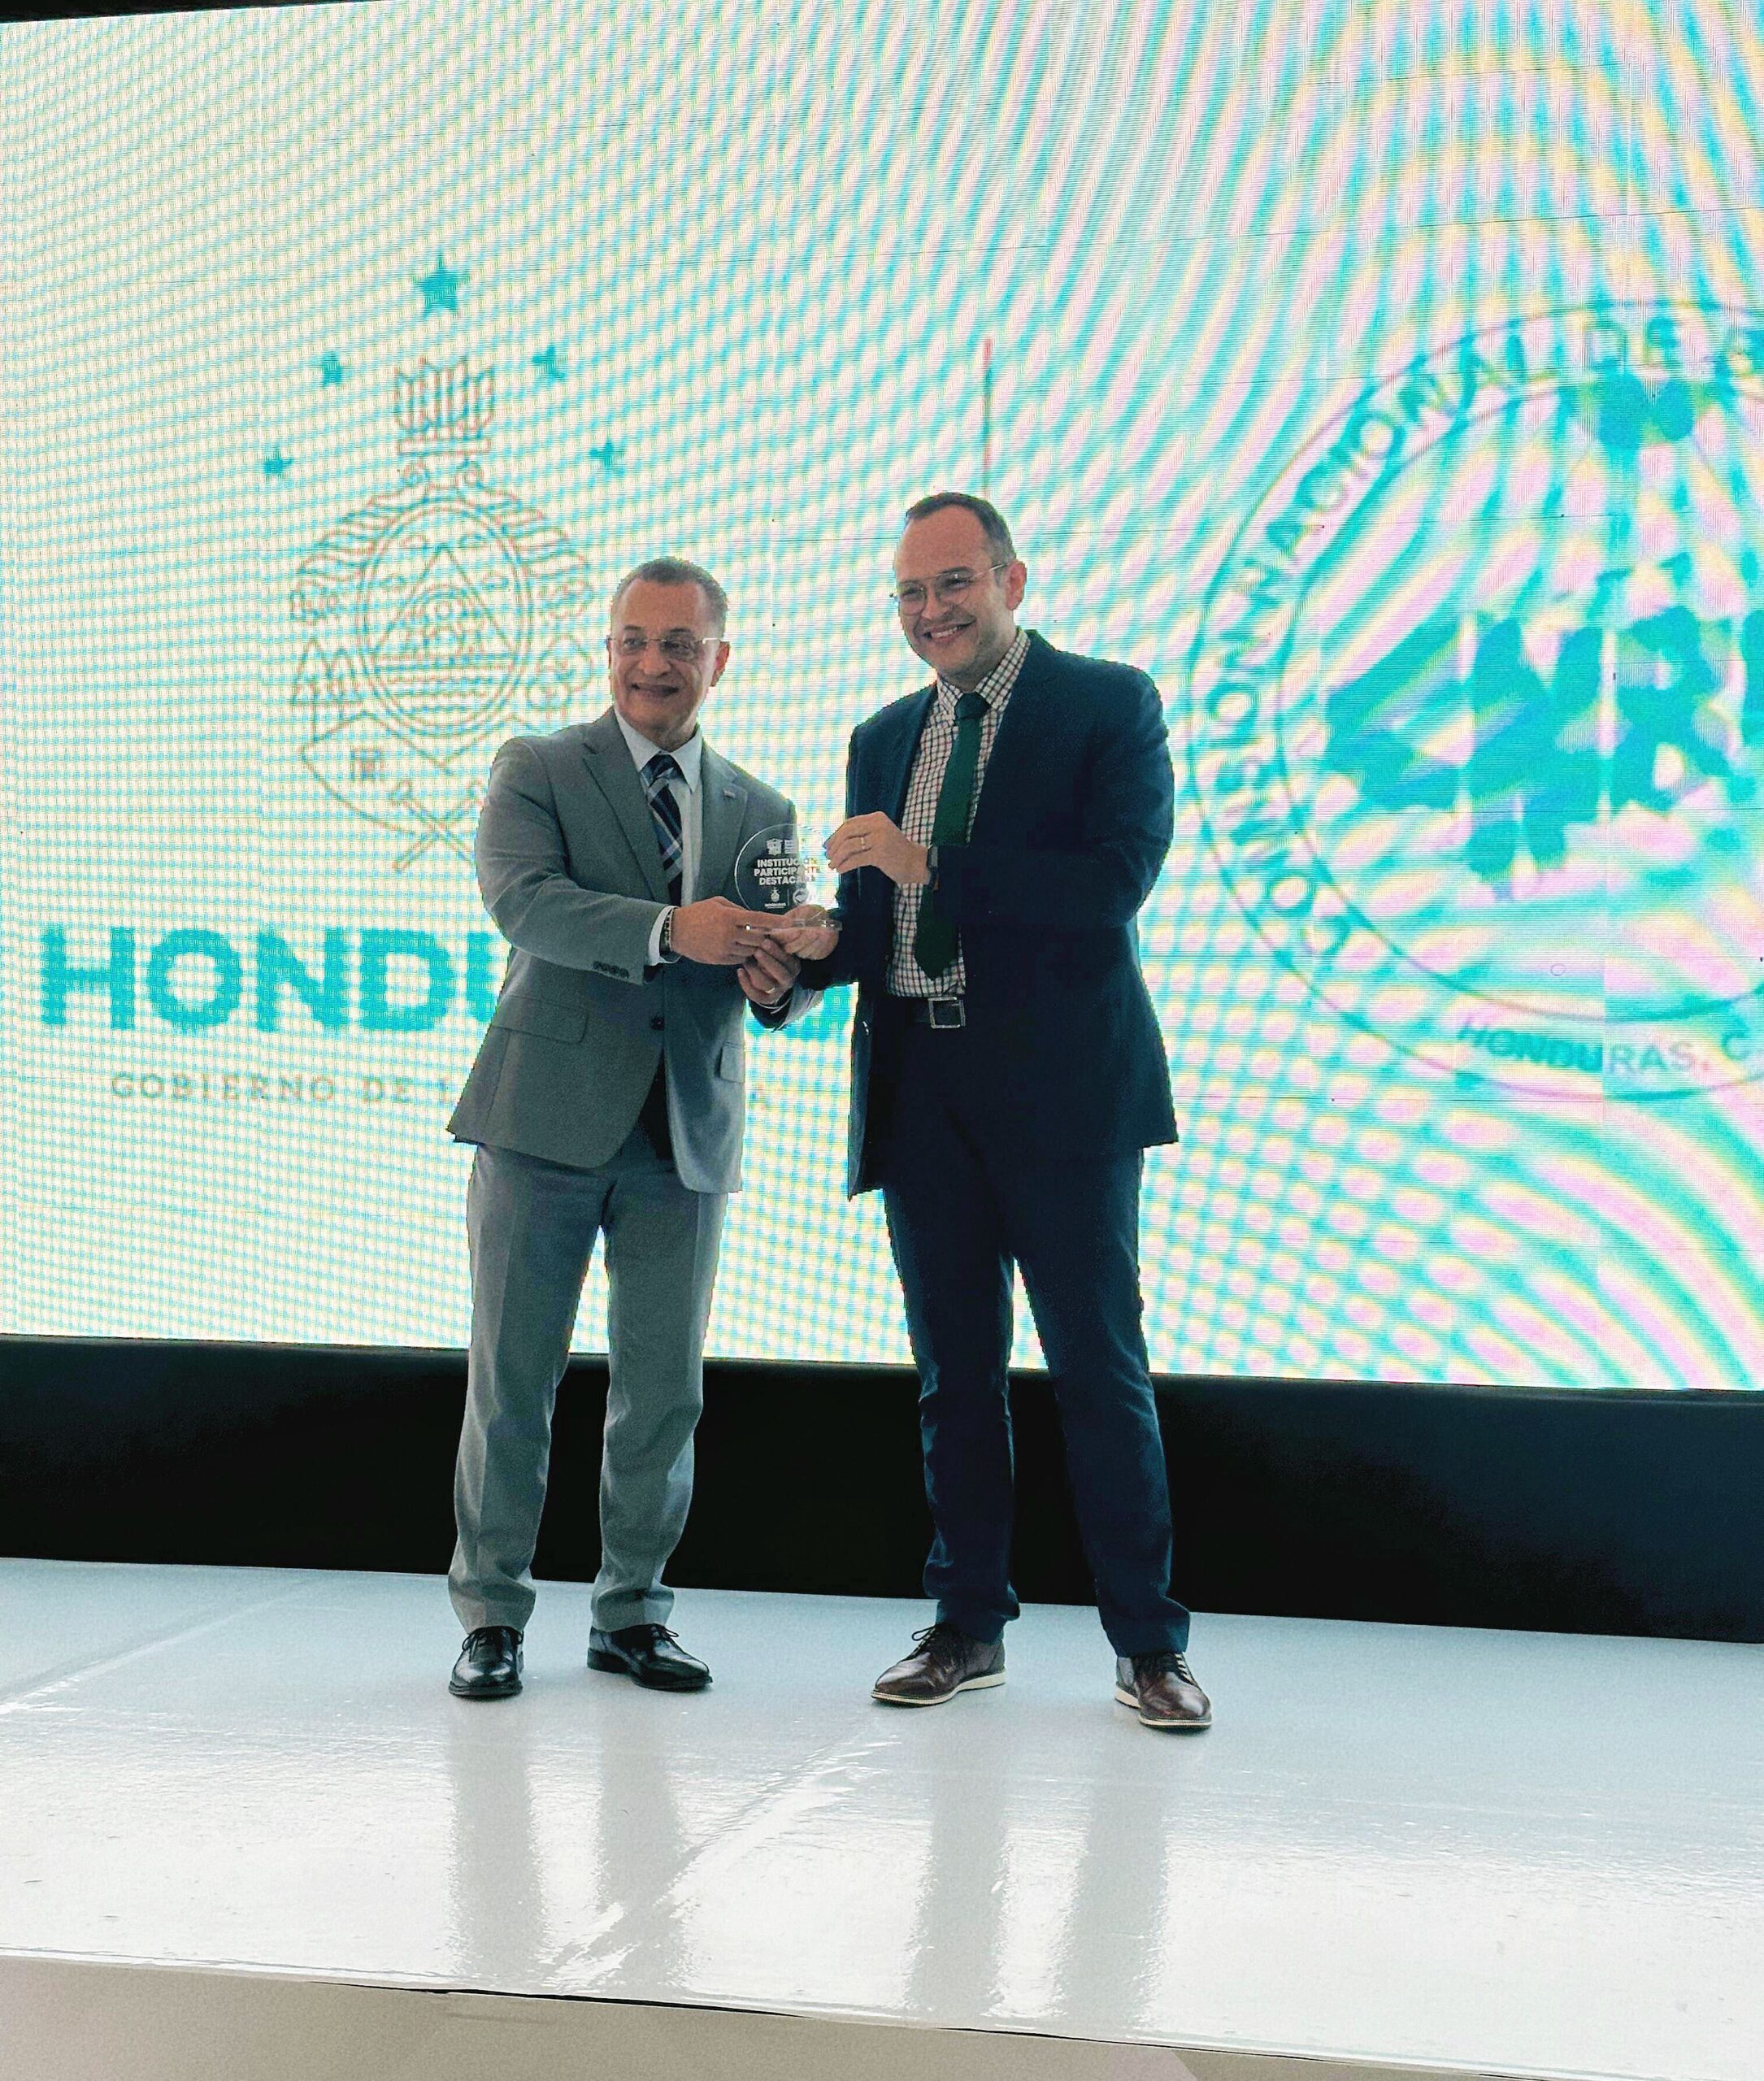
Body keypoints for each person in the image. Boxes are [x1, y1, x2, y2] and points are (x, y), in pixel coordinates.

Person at [779, 493, 1210, 1731]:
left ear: (1012, 581)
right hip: (923, 1088)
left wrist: (930, 865)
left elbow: (1112, 885)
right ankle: (966, 1625)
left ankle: (1148, 1645)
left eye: (954, 583)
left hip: (1064, 1096)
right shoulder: (881, 737)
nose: (932, 612)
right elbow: (876, 931)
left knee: (1097, 1370)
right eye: (911, 593)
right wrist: (796, 960)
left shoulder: (1108, 704)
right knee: (952, 1376)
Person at [445, 556, 807, 1701]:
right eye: (634, 642)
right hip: (540, 1125)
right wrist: (668, 929)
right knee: (514, 1382)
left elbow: (778, 973)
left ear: (719, 660)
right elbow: (522, 902)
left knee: (663, 1394)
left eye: (679, 645)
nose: (654, 664)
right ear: (607, 650)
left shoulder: (763, 810)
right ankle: (492, 1616)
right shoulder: (538, 766)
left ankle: (633, 1614)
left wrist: (782, 978)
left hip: (684, 1134)